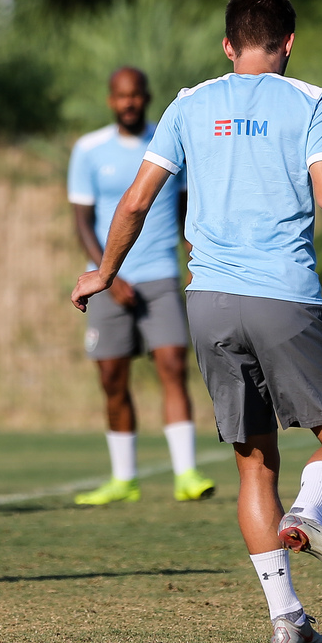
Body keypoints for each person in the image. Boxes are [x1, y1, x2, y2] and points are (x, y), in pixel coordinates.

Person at [71, 0, 322, 643]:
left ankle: (288, 619)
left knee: (253, 463)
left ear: (228, 44)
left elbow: (134, 201)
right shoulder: (310, 100)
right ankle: (308, 512)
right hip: (283, 297)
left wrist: (104, 271)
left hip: (206, 298)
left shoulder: (188, 103)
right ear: (289, 43)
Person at [67, 67, 216, 506]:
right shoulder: (89, 149)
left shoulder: (169, 141)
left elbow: (186, 208)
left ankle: (186, 474)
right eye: (121, 96)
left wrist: (195, 255)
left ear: (147, 97)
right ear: (110, 100)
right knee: (112, 377)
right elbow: (82, 222)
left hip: (160, 276)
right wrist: (107, 277)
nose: (129, 102)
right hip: (109, 280)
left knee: (172, 365)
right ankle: (123, 478)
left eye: (136, 95)